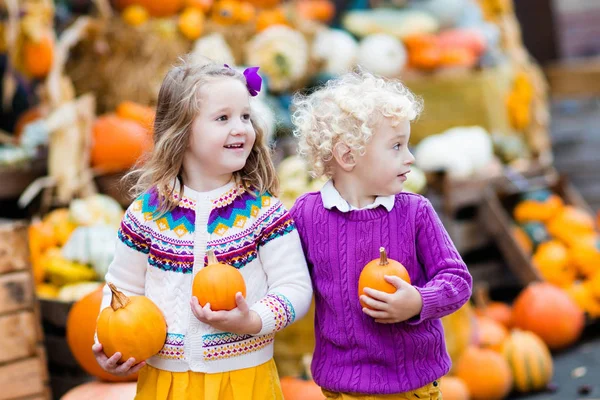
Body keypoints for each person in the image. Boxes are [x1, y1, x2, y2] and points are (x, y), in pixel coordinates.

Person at [93, 56, 313, 400]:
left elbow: (295, 286)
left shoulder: (263, 213)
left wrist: (254, 319)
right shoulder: (146, 214)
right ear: (181, 132)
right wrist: (109, 342)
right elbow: (122, 286)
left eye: (245, 116)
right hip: (166, 384)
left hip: (242, 380)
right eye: (223, 118)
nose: (240, 127)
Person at [289, 69, 473, 399]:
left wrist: (418, 301)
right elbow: (287, 276)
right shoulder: (307, 215)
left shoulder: (415, 212)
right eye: (397, 146)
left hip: (411, 383)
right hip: (341, 385)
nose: (410, 157)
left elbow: (457, 280)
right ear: (348, 156)